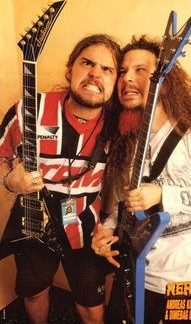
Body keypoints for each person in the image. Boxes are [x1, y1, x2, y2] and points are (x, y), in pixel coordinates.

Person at [92, 35, 191, 323]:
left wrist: (162, 194)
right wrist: (106, 231)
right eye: (122, 71)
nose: (127, 78)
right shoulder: (128, 142)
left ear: (165, 80)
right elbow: (124, 203)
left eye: (141, 70)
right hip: (137, 278)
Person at [0, 34, 121, 324]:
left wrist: (112, 224)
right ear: (70, 69)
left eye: (107, 69)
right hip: (34, 216)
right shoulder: (28, 110)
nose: (95, 74)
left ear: (116, 81)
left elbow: (128, 183)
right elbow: (1, 155)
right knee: (34, 292)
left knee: (91, 304)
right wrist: (9, 181)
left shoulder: (120, 126)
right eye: (87, 63)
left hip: (87, 225)